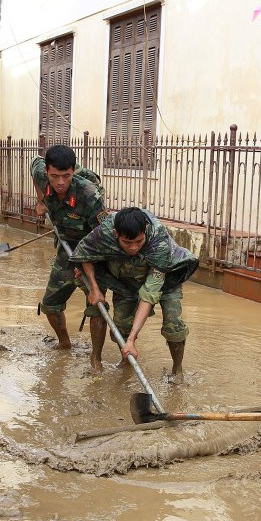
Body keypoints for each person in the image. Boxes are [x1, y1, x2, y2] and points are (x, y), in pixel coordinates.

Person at [70, 207, 198, 378]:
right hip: (127, 277)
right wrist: (94, 289)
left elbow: (149, 295)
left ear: (145, 231)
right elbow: (84, 253)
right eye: (127, 242)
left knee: (173, 324)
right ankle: (126, 360)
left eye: (139, 241)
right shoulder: (105, 231)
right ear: (115, 234)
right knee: (121, 325)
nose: (134, 247)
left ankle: (177, 371)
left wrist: (132, 339)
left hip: (167, 276)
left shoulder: (158, 241)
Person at [31, 145, 108, 365]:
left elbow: (102, 238)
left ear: (73, 171)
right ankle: (64, 344)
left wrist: (85, 269)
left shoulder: (89, 195)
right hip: (67, 247)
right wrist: (41, 200)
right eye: (55, 176)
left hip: (93, 249)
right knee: (50, 304)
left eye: (66, 176)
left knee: (97, 305)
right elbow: (33, 164)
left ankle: (96, 358)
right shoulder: (41, 173)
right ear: (47, 171)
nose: (60, 182)